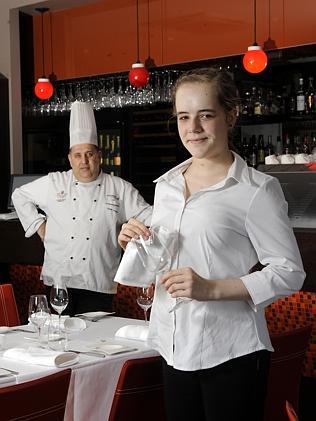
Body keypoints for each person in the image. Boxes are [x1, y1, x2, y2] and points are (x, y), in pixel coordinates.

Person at [118, 68, 305, 421]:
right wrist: (134, 240)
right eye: (184, 117)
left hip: (230, 350)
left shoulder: (257, 190)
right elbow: (163, 259)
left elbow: (290, 271)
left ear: (230, 115)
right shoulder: (166, 185)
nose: (193, 128)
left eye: (206, 115)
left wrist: (210, 288)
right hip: (173, 345)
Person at [12, 101, 151, 316]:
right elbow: (19, 195)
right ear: (70, 159)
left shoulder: (119, 188)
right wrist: (39, 226)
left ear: (99, 155)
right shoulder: (55, 182)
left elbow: (148, 215)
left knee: (93, 340)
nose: (84, 161)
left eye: (89, 154)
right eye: (77, 155)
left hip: (97, 280)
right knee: (60, 336)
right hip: (60, 279)